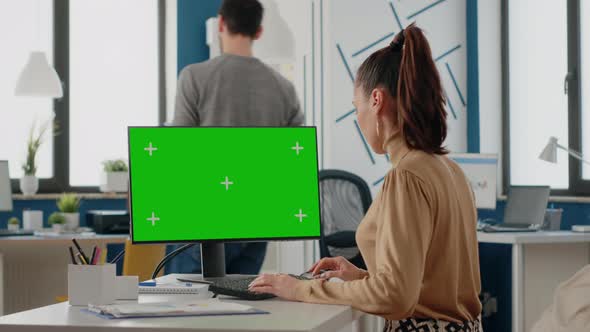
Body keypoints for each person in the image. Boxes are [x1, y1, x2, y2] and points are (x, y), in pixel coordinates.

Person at [249, 23, 483, 331]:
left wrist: (300, 288)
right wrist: (358, 276)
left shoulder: (407, 176)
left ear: (376, 100)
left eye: (356, 106)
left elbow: (396, 298)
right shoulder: (448, 169)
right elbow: (424, 287)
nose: (357, 118)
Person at [169, 0, 303, 275]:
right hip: (259, 219)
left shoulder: (194, 77)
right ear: (259, 32)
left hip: (202, 218)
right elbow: (295, 158)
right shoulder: (284, 88)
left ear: (221, 24)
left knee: (184, 309)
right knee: (240, 309)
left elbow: (178, 150)